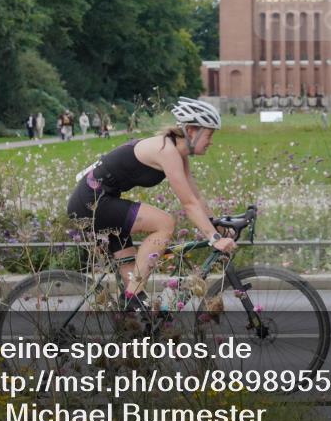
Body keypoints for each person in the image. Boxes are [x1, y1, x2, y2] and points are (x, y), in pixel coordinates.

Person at [67, 97, 237, 312]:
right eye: (210, 134)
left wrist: (219, 226)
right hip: (91, 203)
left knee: (135, 298)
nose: (211, 141)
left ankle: (132, 324)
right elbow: (188, 204)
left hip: (103, 201)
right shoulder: (166, 151)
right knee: (165, 222)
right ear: (192, 131)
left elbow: (196, 198)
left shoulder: (178, 154)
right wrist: (214, 238)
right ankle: (131, 296)